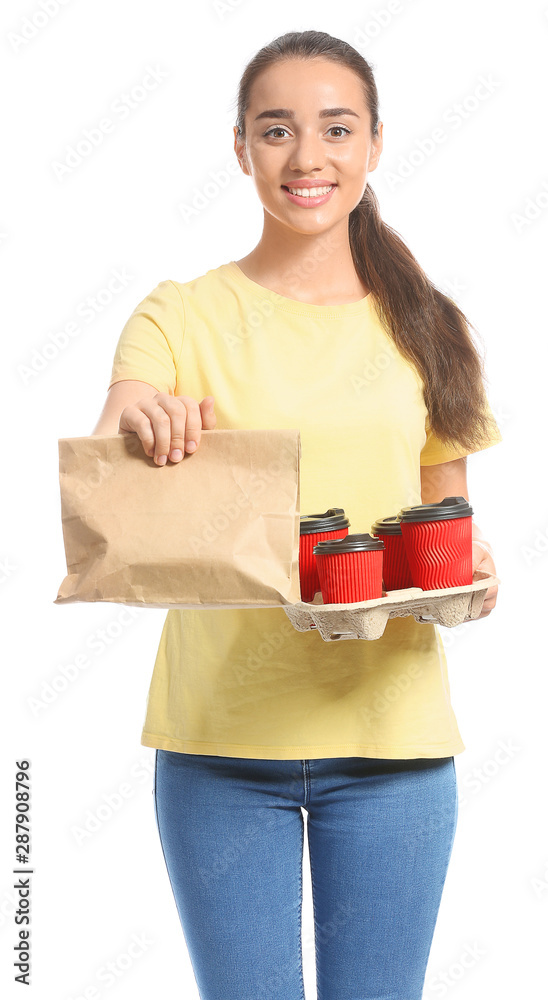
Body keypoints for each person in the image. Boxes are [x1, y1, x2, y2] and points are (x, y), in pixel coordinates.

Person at [92, 29, 502, 1000]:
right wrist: (137, 426)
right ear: (239, 148)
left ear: (372, 144)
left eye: (334, 129)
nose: (306, 158)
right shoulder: (180, 315)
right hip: (218, 751)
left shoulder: (426, 325)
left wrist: (468, 582)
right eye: (275, 130)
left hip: (392, 749)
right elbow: (114, 435)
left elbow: (442, 523)